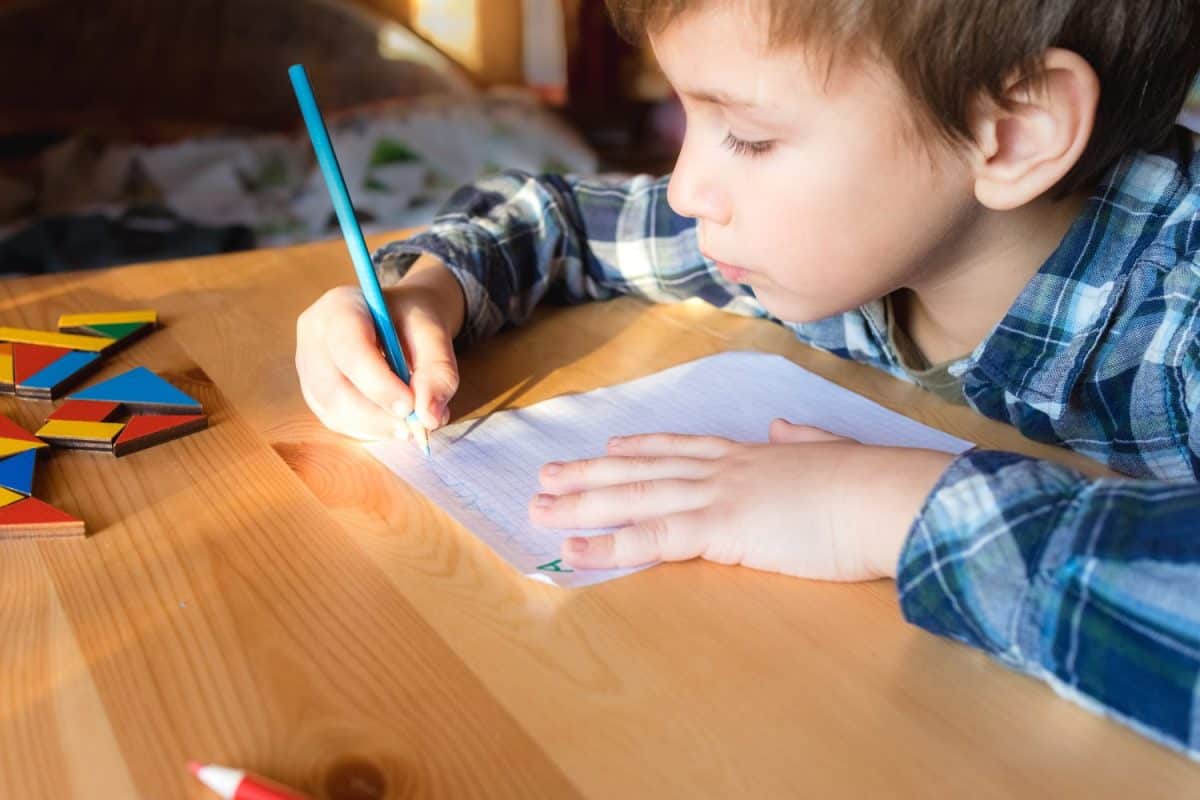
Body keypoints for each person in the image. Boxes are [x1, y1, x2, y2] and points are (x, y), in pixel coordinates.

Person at [295, 0, 1200, 756]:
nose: (686, 188)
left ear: (1009, 133)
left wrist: (880, 506)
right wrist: (429, 290)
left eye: (751, 137)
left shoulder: (1178, 321)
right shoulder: (852, 233)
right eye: (692, 119)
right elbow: (562, 222)